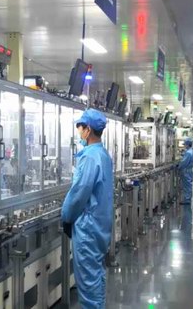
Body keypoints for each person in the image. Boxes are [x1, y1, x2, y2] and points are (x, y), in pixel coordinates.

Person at [61, 109, 114, 309]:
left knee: (88, 283)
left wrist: (66, 217)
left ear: (88, 129)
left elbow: (79, 193)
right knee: (96, 276)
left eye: (80, 128)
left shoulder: (90, 157)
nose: (79, 132)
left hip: (88, 230)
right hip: (100, 226)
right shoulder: (103, 155)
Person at [179, 138, 193, 205]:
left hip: (186, 172)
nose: (184, 146)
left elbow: (184, 163)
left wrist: (178, 167)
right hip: (189, 170)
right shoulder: (192, 151)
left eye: (185, 144)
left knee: (187, 186)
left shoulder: (188, 153)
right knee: (189, 185)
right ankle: (188, 198)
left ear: (188, 144)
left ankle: (187, 199)